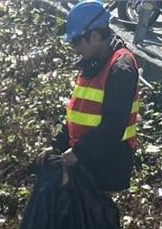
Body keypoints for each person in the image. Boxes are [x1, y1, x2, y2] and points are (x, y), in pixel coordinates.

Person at [47, 0, 141, 193]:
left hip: (106, 166)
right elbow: (79, 112)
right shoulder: (92, 63)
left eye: (76, 41)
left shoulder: (120, 67)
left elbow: (114, 125)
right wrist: (58, 146)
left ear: (95, 36)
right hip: (86, 162)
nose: (74, 47)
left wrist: (79, 152)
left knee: (93, 220)